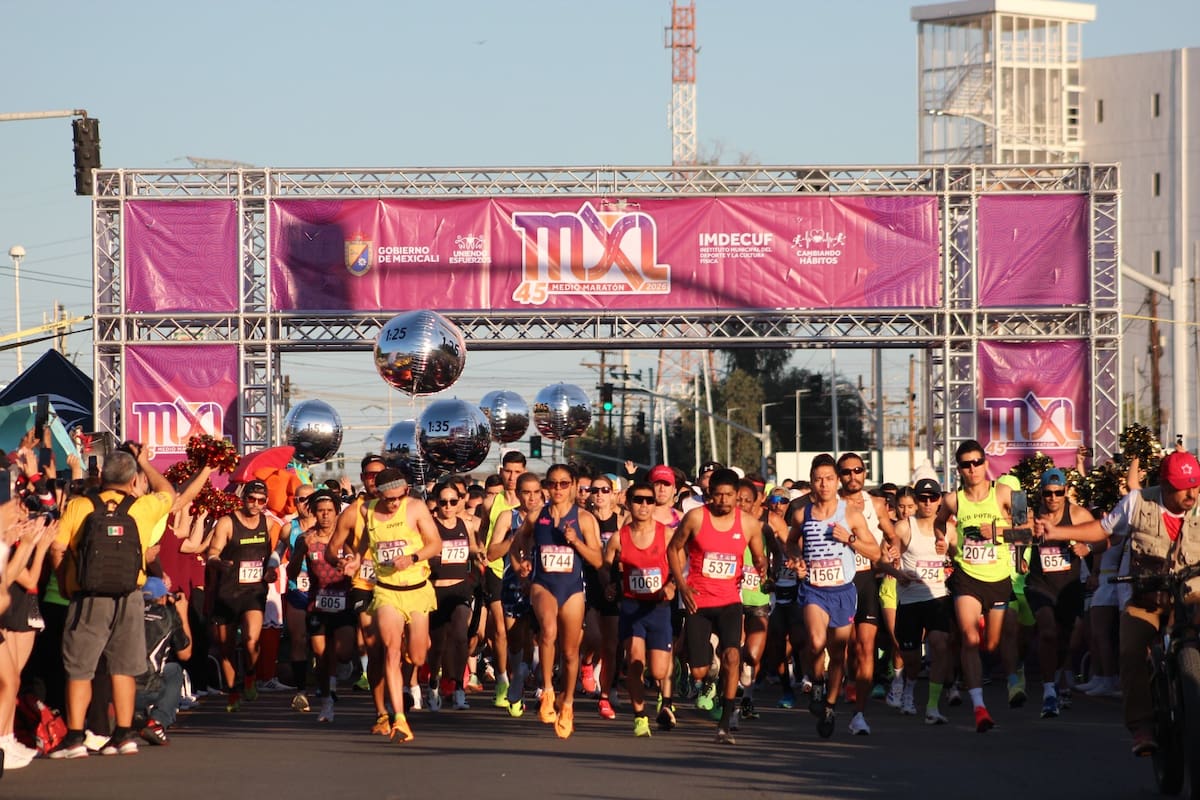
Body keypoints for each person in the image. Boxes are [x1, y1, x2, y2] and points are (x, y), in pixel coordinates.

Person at [1035, 449, 1200, 756]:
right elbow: (1103, 529)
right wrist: (1058, 531)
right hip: (1146, 596)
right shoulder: (1138, 503)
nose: (1190, 493)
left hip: (1192, 594)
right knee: (1130, 650)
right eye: (1182, 486)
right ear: (1164, 485)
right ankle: (1142, 727)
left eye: (1195, 484)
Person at [49, 444, 177, 758]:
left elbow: (57, 548)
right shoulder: (142, 507)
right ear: (133, 480)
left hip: (88, 596)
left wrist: (67, 582)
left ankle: (76, 737)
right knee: (124, 667)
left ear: (103, 476)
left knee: (80, 667)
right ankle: (123, 735)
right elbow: (168, 491)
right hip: (130, 595)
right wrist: (145, 462)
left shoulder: (80, 506)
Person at [338, 467, 441, 743]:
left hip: (417, 589)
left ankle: (413, 644)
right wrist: (354, 561)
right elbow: (362, 546)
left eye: (399, 496)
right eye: (389, 498)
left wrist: (414, 557)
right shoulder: (366, 511)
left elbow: (436, 544)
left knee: (418, 657)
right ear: (378, 494)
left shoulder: (416, 508)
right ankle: (400, 718)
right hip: (386, 591)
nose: (394, 503)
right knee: (390, 651)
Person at [669, 468, 768, 744]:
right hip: (698, 600)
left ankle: (726, 719)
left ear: (737, 496)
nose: (723, 500)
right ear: (709, 494)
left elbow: (760, 557)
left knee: (733, 657)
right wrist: (682, 584)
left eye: (729, 495)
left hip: (730, 602)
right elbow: (673, 549)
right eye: (718, 494)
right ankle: (695, 671)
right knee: (701, 670)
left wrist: (762, 567)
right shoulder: (696, 518)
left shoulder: (748, 524)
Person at [786, 454, 879, 739]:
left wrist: (849, 539)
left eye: (829, 479)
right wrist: (797, 559)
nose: (824, 484)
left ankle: (828, 705)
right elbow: (790, 543)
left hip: (842, 591)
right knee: (815, 642)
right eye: (818, 479)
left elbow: (874, 551)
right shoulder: (803, 512)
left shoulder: (849, 513)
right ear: (812, 482)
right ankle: (817, 682)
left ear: (837, 481)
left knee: (838, 654)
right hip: (815, 589)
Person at [510, 464, 604, 739]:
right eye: (553, 484)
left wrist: (575, 542)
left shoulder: (585, 519)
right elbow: (517, 544)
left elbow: (598, 560)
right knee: (548, 631)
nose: (558, 489)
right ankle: (548, 691)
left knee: (571, 652)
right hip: (543, 585)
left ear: (574, 486)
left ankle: (568, 702)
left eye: (564, 484)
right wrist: (521, 567)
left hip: (572, 588)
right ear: (546, 487)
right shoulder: (537, 516)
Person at [937, 440, 1015, 733]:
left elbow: (1026, 531)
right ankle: (979, 707)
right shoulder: (952, 500)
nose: (973, 469)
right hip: (966, 577)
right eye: (966, 465)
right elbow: (939, 522)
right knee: (969, 638)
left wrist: (996, 531)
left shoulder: (1004, 493)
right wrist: (941, 539)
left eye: (977, 462)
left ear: (985, 463)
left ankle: (1007, 673)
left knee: (991, 645)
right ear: (959, 469)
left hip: (997, 579)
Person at [604, 481, 675, 737]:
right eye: (638, 500)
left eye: (649, 501)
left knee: (657, 670)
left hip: (659, 608)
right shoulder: (618, 537)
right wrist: (610, 585)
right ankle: (640, 715)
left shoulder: (666, 534)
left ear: (655, 505)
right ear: (628, 503)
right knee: (634, 660)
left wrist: (673, 585)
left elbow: (682, 564)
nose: (644, 505)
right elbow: (605, 566)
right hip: (632, 607)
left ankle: (665, 699)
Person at [206, 479, 280, 713]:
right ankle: (232, 692)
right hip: (228, 592)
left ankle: (249, 676)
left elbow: (276, 552)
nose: (256, 504)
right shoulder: (227, 523)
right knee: (226, 648)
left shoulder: (267, 523)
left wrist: (270, 570)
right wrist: (219, 563)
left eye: (261, 500)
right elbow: (212, 553)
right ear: (243, 498)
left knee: (250, 641)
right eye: (251, 499)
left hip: (254, 591)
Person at [835, 452, 895, 736]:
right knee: (843, 645)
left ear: (864, 472)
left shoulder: (877, 503)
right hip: (837, 580)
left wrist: (893, 549)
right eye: (846, 472)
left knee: (866, 646)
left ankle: (860, 712)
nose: (852, 476)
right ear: (839, 475)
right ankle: (840, 683)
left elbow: (892, 535)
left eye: (857, 470)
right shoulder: (830, 504)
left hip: (867, 577)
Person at [1026, 468, 1093, 719]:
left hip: (1069, 587)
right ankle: (1048, 692)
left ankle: (1060, 677)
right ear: (1041, 493)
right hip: (1039, 584)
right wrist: (1025, 534)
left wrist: (1088, 547)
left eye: (1058, 493)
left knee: (1066, 638)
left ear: (1066, 492)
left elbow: (1105, 539)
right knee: (1047, 632)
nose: (1053, 498)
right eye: (1047, 493)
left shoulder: (1076, 514)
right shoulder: (1032, 515)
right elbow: (1011, 536)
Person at [889, 478, 954, 724]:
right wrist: (896, 571)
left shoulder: (949, 529)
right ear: (915, 500)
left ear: (940, 500)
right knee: (913, 660)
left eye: (933, 498)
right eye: (923, 498)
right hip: (910, 601)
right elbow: (887, 554)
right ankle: (908, 689)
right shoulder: (905, 527)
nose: (927, 503)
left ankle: (932, 706)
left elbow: (961, 557)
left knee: (940, 645)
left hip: (937, 598)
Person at [287, 489, 351, 723]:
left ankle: (340, 669)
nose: (325, 516)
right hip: (318, 603)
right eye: (320, 511)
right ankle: (326, 701)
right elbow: (291, 573)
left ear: (337, 512)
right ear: (313, 513)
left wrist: (350, 564)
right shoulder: (305, 538)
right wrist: (301, 551)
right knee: (321, 655)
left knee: (342, 652)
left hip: (344, 601)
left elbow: (357, 559)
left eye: (329, 511)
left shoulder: (345, 536)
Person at [427, 480, 484, 711]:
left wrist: (477, 554)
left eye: (453, 501)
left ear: (460, 501)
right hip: (435, 589)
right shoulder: (429, 526)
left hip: (460, 588)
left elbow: (470, 548)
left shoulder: (465, 524)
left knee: (460, 636)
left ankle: (459, 686)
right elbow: (423, 551)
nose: (448, 506)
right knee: (438, 644)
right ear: (437, 504)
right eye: (443, 502)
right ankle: (433, 683)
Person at [478, 451, 527, 708]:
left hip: (522, 570)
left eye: (517, 472)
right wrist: (481, 553)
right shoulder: (491, 502)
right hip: (497, 568)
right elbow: (483, 531)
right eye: (508, 471)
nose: (511, 477)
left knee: (516, 630)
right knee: (499, 629)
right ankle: (502, 679)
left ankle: (519, 674)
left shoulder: (531, 503)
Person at [581, 473, 625, 719]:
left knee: (614, 643)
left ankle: (610, 689)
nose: (599, 495)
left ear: (614, 495)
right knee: (595, 637)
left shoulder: (622, 521)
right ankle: (587, 663)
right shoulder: (583, 519)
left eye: (604, 490)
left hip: (615, 584)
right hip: (588, 581)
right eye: (594, 490)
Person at [134, 576, 193, 745]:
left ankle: (133, 716)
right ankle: (158, 721)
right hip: (147, 689)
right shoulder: (168, 615)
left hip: (117, 686)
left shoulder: (127, 610)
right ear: (162, 598)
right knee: (174, 669)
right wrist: (182, 614)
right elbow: (185, 654)